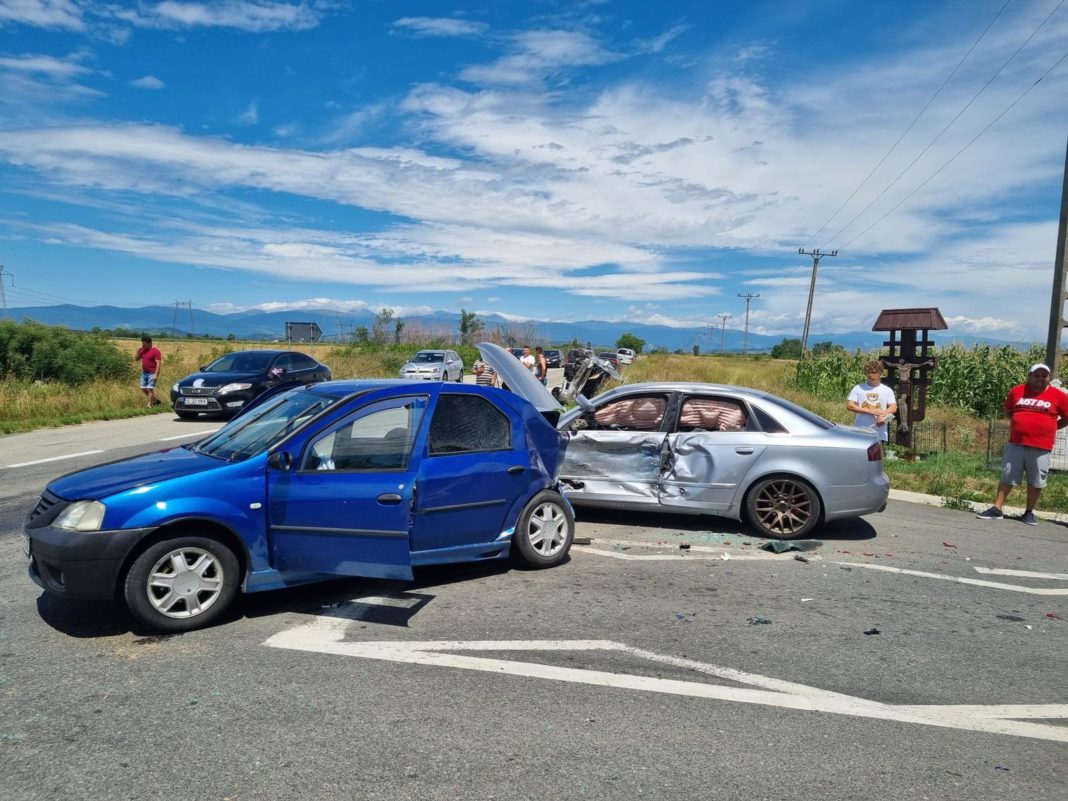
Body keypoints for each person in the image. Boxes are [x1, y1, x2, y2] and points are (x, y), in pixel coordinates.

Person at [977, 363, 1068, 525]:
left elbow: (1066, 417)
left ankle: (1029, 512)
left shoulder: (1059, 396)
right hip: (1016, 443)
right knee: (1007, 475)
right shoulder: (1017, 391)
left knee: (1036, 480)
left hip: (1042, 446)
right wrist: (1021, 424)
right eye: (1036, 375)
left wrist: (1052, 427)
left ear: (1049, 377)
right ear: (1030, 376)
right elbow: (1008, 411)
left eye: (1043, 375)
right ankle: (997, 509)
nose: (1040, 378)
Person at [846, 360, 897, 442]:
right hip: (860, 431)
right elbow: (850, 406)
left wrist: (882, 416)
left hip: (879, 433)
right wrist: (870, 411)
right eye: (868, 372)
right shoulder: (858, 388)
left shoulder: (887, 390)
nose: (871, 375)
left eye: (874, 372)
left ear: (880, 374)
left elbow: (893, 407)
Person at [135, 335, 163, 408]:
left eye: (144, 344)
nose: (143, 345)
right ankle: (155, 401)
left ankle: (149, 405)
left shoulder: (156, 351)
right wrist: (137, 351)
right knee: (143, 388)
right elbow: (136, 359)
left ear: (149, 343)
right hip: (144, 373)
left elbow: (158, 364)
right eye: (142, 344)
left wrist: (156, 375)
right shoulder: (143, 350)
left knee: (149, 388)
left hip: (152, 373)